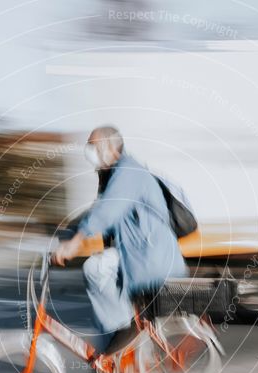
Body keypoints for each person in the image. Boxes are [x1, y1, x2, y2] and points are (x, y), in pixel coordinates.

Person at [52, 126, 187, 353]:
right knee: (102, 312)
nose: (90, 151)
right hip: (136, 253)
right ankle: (109, 368)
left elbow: (107, 212)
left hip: (150, 255)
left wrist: (76, 243)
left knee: (95, 269)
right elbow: (97, 215)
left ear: (111, 147)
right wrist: (63, 239)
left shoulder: (129, 173)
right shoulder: (113, 175)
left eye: (93, 146)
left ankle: (126, 328)